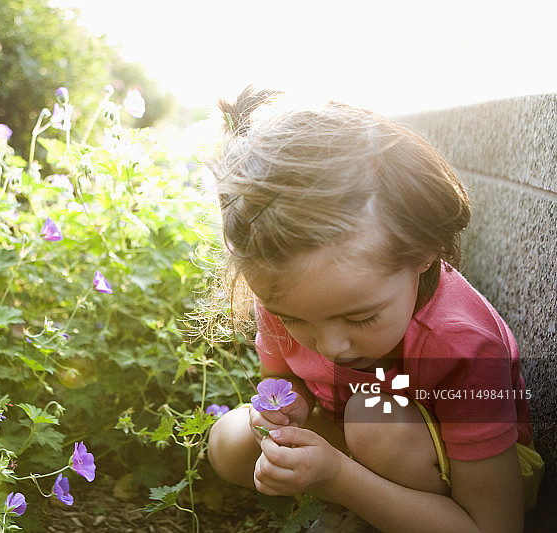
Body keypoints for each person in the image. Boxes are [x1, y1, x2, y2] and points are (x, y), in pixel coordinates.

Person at [205, 86, 543, 533]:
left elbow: (496, 525)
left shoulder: (462, 343)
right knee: (230, 440)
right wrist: (288, 413)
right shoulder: (289, 293)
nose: (331, 345)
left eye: (361, 317)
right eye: (294, 319)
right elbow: (285, 381)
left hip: (476, 479)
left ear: (425, 252)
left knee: (373, 417)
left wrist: (337, 478)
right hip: (353, 430)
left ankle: (367, 507)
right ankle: (369, 504)